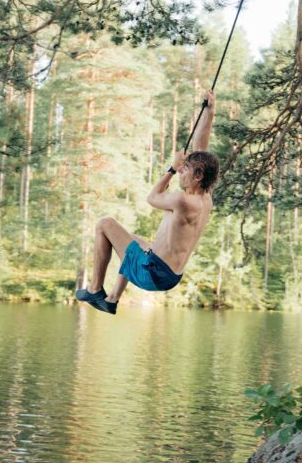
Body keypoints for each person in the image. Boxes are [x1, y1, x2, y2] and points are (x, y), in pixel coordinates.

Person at [76, 90, 219, 314]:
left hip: (152, 274)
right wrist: (209, 112)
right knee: (135, 241)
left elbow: (152, 198)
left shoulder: (182, 200)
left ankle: (94, 289)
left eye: (185, 169)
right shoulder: (205, 198)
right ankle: (112, 299)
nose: (181, 172)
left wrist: (171, 169)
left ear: (198, 176)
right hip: (170, 275)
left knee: (105, 224)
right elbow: (201, 149)